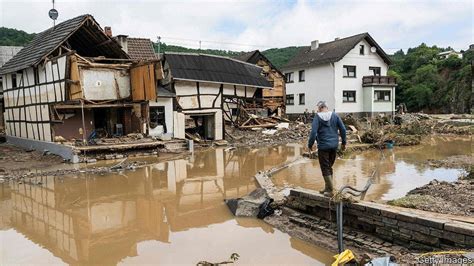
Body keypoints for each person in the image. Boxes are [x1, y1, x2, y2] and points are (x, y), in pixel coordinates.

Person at [307, 101, 347, 196]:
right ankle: (327, 187)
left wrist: (310, 145)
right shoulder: (335, 116)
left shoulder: (317, 117)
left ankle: (330, 190)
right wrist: (344, 143)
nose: (317, 110)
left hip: (323, 147)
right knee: (329, 166)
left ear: (320, 108)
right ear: (326, 107)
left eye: (318, 108)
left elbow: (313, 133)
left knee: (325, 168)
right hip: (334, 146)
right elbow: (343, 129)